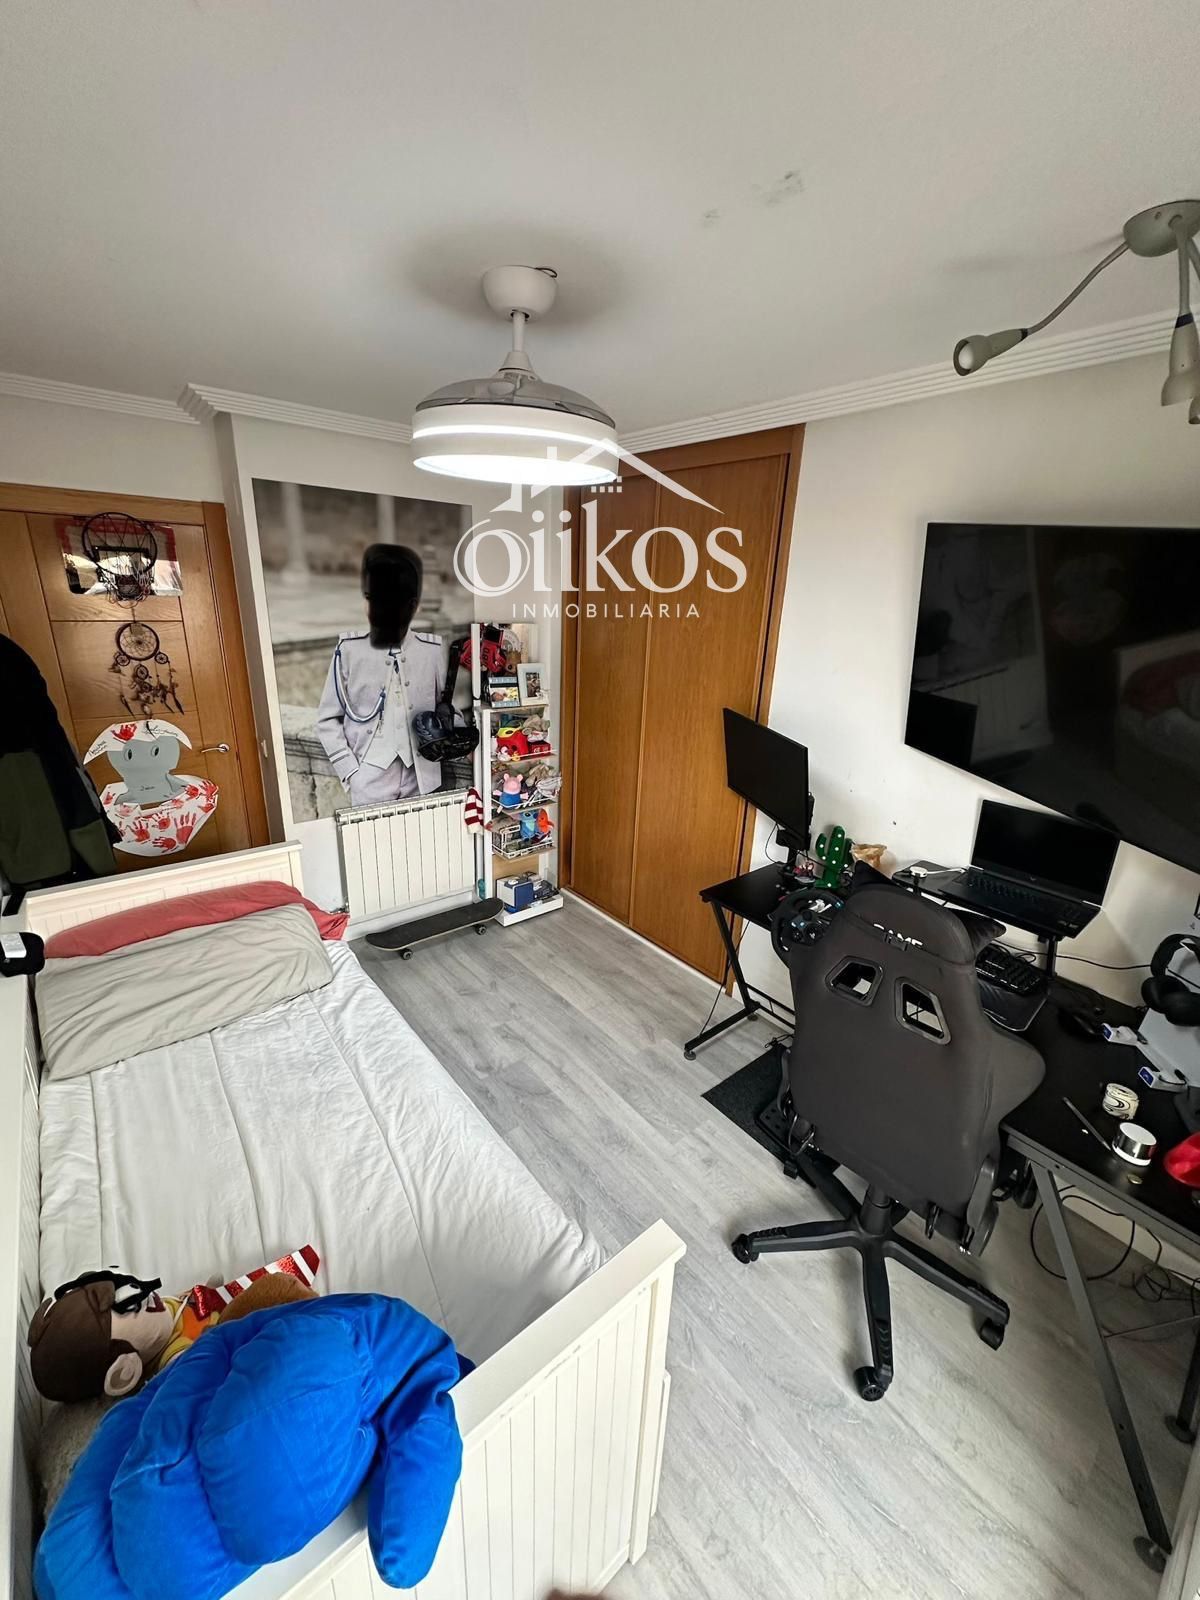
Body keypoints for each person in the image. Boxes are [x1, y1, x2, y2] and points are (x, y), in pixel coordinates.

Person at [315, 545, 444, 806]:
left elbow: (445, 709)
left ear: (413, 605)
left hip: (421, 779)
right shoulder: (349, 650)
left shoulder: (431, 651)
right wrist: (351, 772)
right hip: (368, 779)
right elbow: (327, 720)